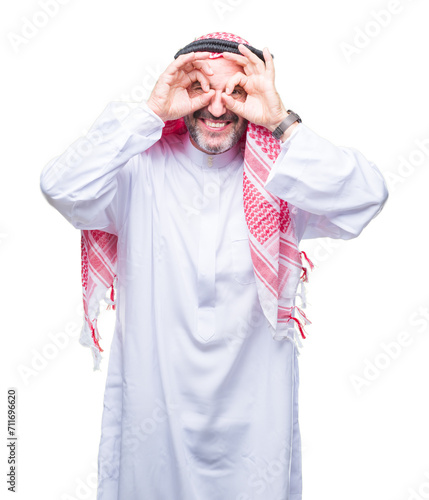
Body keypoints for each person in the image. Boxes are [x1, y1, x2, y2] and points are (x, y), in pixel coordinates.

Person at [40, 32, 388, 500]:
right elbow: (60, 186)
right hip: (154, 416)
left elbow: (366, 196)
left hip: (255, 426)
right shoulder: (138, 169)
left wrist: (281, 123)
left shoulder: (281, 176)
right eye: (201, 88)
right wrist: (149, 115)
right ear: (179, 92)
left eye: (237, 92)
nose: (218, 108)